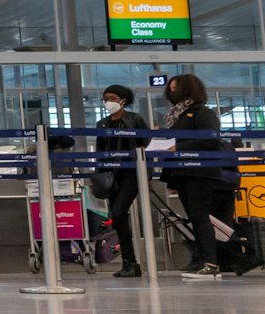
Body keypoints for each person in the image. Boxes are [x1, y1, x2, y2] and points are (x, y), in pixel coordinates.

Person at [162, 73, 238, 279]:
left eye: (175, 88)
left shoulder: (203, 113)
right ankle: (204, 260)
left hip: (200, 172)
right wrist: (170, 177)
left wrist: (179, 147)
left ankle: (211, 263)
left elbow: (210, 141)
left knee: (200, 216)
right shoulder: (176, 115)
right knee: (195, 217)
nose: (171, 91)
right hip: (182, 172)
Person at [96, 84, 150, 279]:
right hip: (111, 176)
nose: (108, 102)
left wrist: (147, 174)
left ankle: (131, 261)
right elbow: (99, 151)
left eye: (112, 98)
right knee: (117, 218)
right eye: (105, 98)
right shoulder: (102, 124)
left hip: (132, 174)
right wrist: (98, 177)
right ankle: (129, 262)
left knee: (118, 214)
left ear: (123, 100)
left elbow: (147, 146)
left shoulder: (135, 120)